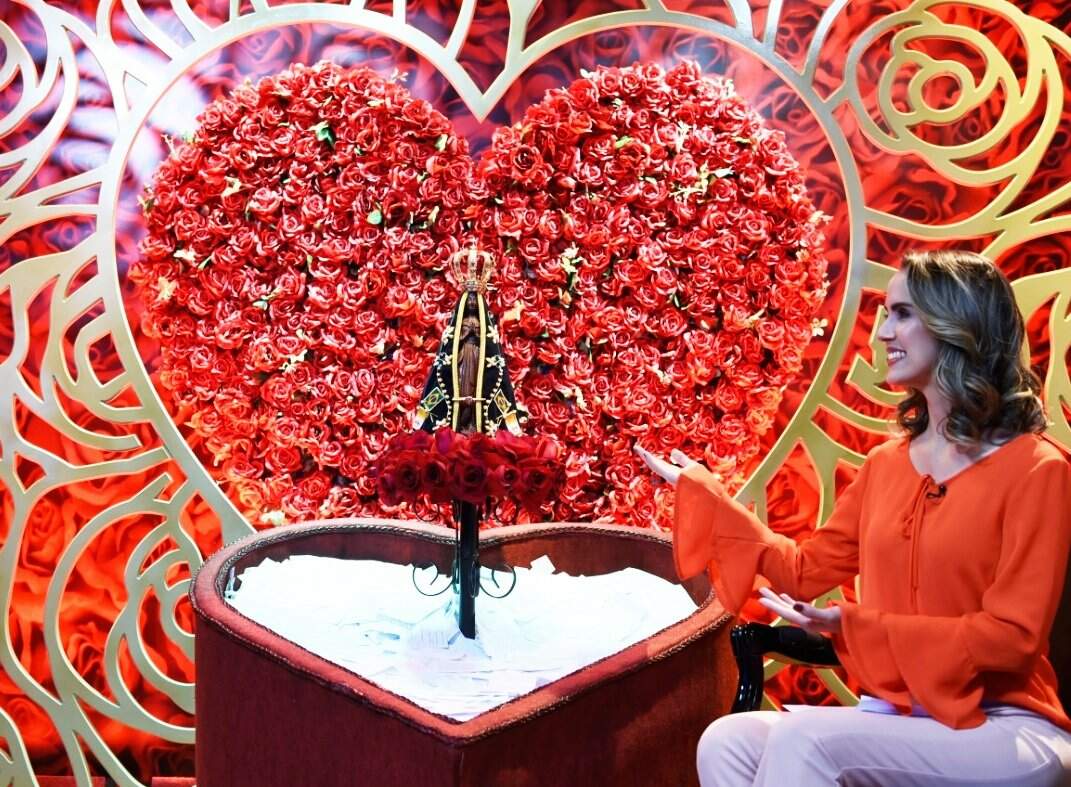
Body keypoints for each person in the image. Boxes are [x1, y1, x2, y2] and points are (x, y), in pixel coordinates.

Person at [635, 249, 1071, 786]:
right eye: (886, 313)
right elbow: (803, 571)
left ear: (957, 322)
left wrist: (858, 626)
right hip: (904, 718)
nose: (883, 332)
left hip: (1005, 726)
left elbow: (1013, 638)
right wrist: (709, 496)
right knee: (728, 740)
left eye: (903, 314)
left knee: (804, 738)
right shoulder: (886, 464)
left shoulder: (1036, 467)